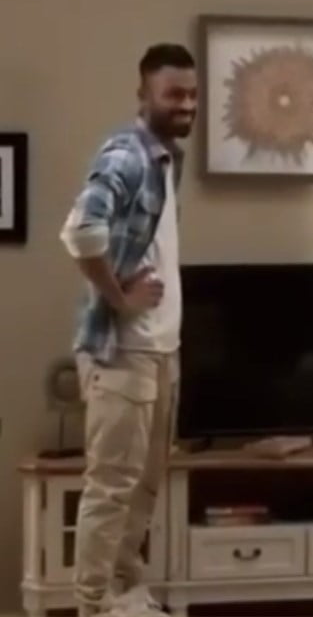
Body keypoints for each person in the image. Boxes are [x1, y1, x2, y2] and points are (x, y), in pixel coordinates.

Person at [60, 43, 196, 617]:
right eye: (173, 94)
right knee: (112, 488)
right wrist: (119, 299)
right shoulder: (127, 154)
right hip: (124, 353)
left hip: (161, 352)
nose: (185, 105)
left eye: (192, 94)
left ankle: (123, 592)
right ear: (144, 95)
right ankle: (94, 605)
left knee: (144, 487)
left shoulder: (166, 159)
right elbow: (80, 231)